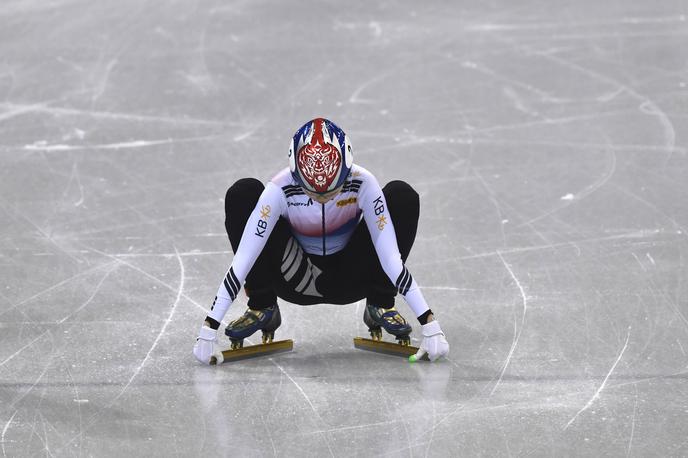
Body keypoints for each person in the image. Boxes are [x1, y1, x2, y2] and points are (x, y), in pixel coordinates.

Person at [193, 118, 449, 364]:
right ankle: (263, 305)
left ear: (347, 171)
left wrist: (430, 324)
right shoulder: (279, 188)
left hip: (352, 277)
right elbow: (243, 261)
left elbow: (391, 259)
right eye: (311, 191)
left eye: (333, 190)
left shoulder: (363, 182)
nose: (322, 198)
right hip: (294, 277)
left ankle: (380, 303)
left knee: (401, 195)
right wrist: (208, 329)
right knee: (244, 192)